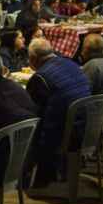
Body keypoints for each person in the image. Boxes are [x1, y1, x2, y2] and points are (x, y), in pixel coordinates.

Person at [26, 39, 90, 186]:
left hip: (64, 133)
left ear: (33, 59)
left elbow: (33, 112)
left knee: (24, 123)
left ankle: (31, 175)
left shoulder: (40, 77)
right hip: (87, 124)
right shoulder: (71, 64)